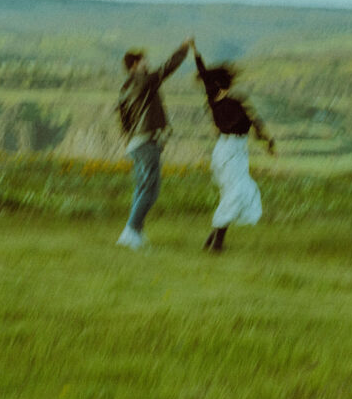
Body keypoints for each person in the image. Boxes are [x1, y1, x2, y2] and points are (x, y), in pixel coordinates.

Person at [191, 39, 275, 252]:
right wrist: (268, 142)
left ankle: (214, 240)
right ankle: (216, 242)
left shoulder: (213, 99)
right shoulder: (235, 101)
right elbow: (255, 122)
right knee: (237, 192)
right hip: (232, 151)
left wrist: (195, 51)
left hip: (226, 150)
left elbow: (204, 73)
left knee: (233, 193)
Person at [115, 39, 191, 248]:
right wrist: (183, 49)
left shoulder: (125, 87)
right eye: (144, 61)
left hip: (136, 144)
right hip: (147, 142)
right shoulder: (143, 81)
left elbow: (122, 118)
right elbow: (166, 69)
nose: (148, 63)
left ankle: (136, 234)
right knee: (151, 189)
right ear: (135, 65)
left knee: (141, 188)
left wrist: (128, 138)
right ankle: (130, 232)